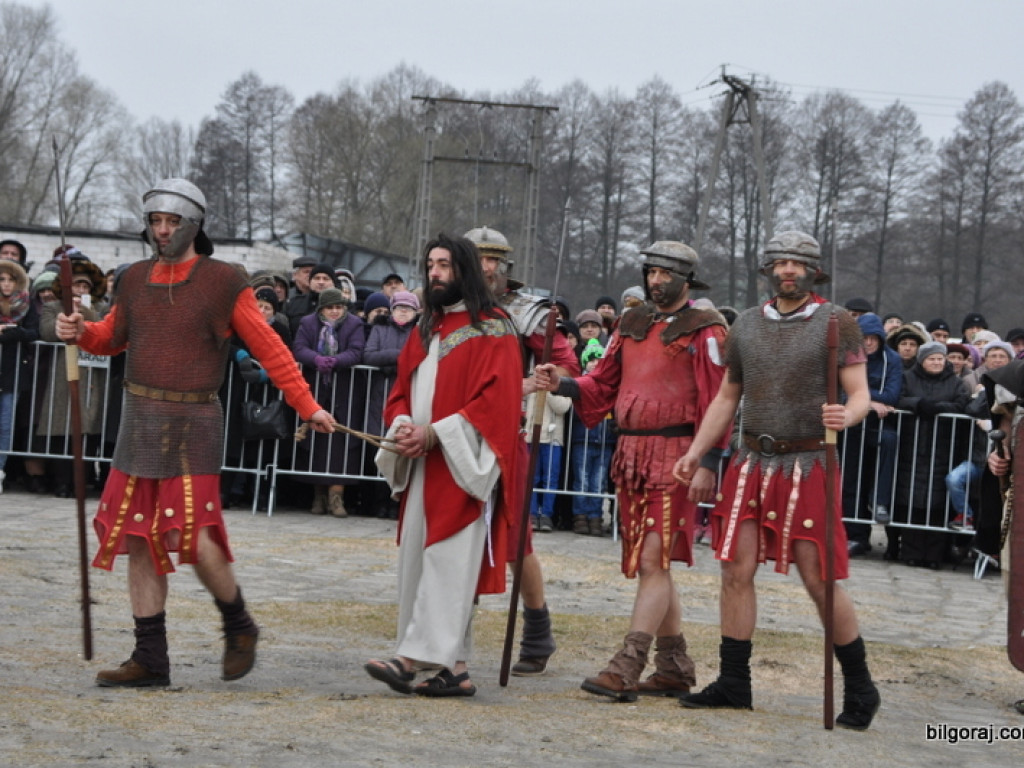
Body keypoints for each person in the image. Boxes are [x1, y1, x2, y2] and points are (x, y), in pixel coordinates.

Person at [55, 178, 334, 688]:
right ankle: (150, 658)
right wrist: (80, 330)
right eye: (155, 222)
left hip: (194, 424)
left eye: (172, 222)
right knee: (139, 537)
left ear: (194, 226)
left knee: (194, 538)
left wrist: (307, 405)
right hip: (139, 420)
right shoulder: (134, 278)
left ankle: (238, 621)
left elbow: (271, 348)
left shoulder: (223, 280)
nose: (162, 230)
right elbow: (112, 337)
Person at [673, 230, 880, 730]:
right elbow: (727, 396)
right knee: (734, 569)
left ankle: (860, 686)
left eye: (797, 263)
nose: (788, 270)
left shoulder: (837, 323)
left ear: (813, 270)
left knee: (819, 578)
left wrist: (846, 417)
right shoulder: (744, 325)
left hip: (809, 462)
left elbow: (859, 394)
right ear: (767, 270)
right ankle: (734, 683)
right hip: (751, 460)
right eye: (780, 263)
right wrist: (698, 451)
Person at [536, 240, 728, 702]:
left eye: (666, 274)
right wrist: (562, 382)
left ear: (687, 281)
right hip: (632, 455)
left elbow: (718, 398)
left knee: (651, 561)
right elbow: (602, 382)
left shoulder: (707, 330)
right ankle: (674, 667)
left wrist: (708, 462)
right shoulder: (630, 322)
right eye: (652, 272)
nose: (657, 281)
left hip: (679, 455)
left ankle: (626, 665)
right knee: (652, 564)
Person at [365, 233, 521, 697]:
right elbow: (400, 390)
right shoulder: (424, 328)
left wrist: (437, 433)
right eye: (430, 264)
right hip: (419, 465)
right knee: (419, 560)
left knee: (447, 564)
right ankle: (454, 669)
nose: (434, 273)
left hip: (461, 464)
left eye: (444, 265)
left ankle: (409, 659)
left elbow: (498, 403)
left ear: (464, 270)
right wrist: (403, 428)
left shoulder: (496, 328)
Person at [465, 225, 580, 675]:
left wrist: (531, 381)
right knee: (455, 530)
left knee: (514, 539)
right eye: (478, 258)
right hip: (452, 432)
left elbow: (565, 365)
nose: (487, 267)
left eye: (494, 259)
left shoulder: (526, 312)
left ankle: (537, 632)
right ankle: (450, 628)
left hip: (504, 436)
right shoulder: (445, 307)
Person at [292, 287, 366, 517]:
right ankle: (319, 496)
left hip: (345, 392)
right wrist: (315, 359)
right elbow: (299, 348)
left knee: (341, 446)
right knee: (316, 445)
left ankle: (337, 498)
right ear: (321, 308)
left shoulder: (354, 324)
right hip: (316, 392)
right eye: (329, 307)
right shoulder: (308, 323)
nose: (334, 311)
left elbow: (356, 351)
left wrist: (334, 361)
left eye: (338, 307)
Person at [843, 313, 902, 556]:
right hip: (852, 427)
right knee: (850, 482)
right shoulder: (847, 356)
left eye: (873, 338)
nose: (868, 343)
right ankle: (854, 536)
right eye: (863, 338)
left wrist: (864, 399)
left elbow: (892, 395)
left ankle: (879, 502)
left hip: (878, 427)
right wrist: (868, 403)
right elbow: (841, 392)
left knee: (887, 447)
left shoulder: (892, 360)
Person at [0, 258, 39, 492]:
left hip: (12, 372)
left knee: (5, 425)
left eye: (11, 279)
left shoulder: (26, 305)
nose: (6, 284)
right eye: (2, 279)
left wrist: (11, 332)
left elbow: (34, 332)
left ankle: (0, 470)